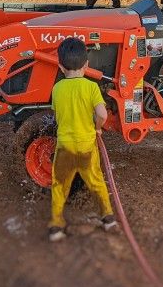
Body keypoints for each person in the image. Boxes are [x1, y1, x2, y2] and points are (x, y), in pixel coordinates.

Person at [48, 37, 118, 242]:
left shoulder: (57, 89)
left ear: (60, 66)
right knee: (96, 181)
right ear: (87, 65)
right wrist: (97, 128)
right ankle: (108, 218)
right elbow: (102, 115)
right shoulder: (91, 88)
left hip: (65, 146)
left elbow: (57, 115)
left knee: (59, 185)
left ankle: (56, 227)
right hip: (87, 145)